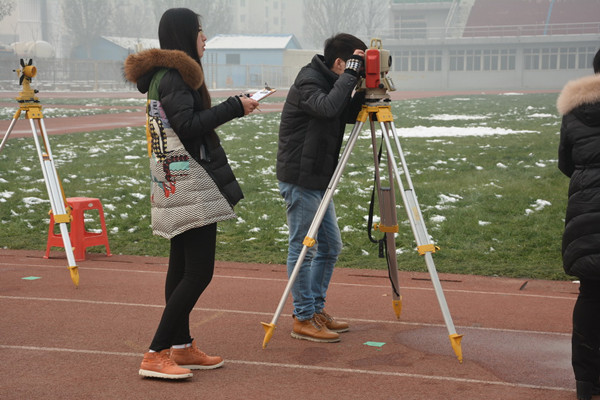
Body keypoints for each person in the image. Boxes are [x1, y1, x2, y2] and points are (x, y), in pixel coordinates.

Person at [124, 8, 259, 380]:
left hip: (173, 179)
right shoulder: (176, 78)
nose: (205, 39)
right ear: (186, 36)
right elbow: (188, 125)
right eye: (201, 32)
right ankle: (155, 353)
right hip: (190, 181)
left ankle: (180, 346)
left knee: (181, 267)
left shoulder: (160, 77)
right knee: (198, 272)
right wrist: (235, 106)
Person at [276, 33, 367, 343]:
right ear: (339, 62)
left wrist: (365, 89)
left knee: (330, 247)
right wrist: (352, 76)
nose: (355, 70)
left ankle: (314, 310)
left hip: (318, 178)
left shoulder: (332, 81)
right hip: (300, 178)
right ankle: (302, 317)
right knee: (303, 247)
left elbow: (344, 113)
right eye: (352, 64)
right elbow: (328, 107)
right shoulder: (310, 81)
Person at [557, 47, 600, 400]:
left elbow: (566, 164)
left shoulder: (574, 112)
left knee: (589, 295)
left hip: (585, 215)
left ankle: (585, 382)